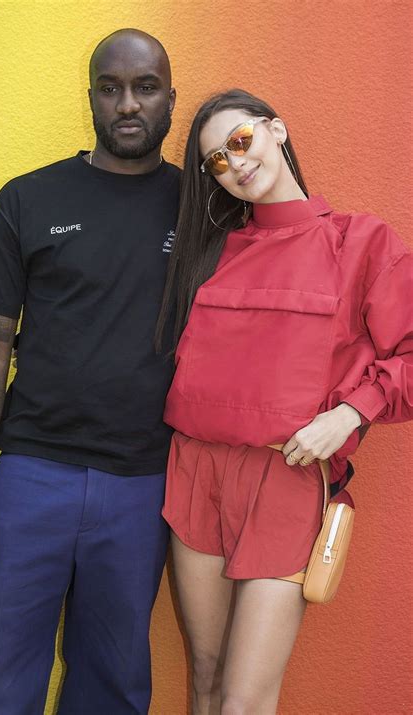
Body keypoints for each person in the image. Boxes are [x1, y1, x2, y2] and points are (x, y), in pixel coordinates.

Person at [0, 29, 179, 715]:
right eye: (110, 88)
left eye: (145, 87)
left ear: (170, 97)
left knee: (112, 686)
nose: (127, 104)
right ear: (91, 99)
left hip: (144, 485)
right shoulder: (28, 198)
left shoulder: (201, 211)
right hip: (29, 478)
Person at [155, 89, 413, 715]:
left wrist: (352, 412)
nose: (235, 164)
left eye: (241, 141)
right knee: (207, 677)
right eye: (217, 160)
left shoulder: (363, 242)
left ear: (276, 129)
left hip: (287, 480)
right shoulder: (209, 252)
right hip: (196, 473)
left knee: (244, 701)